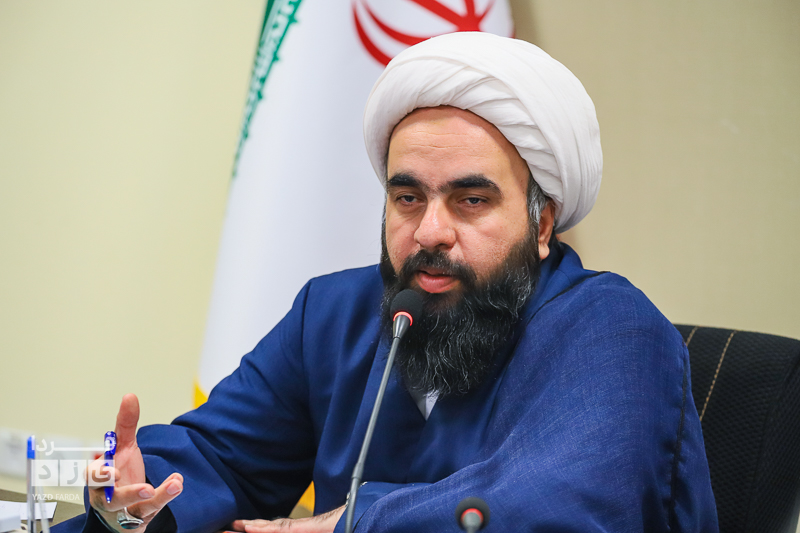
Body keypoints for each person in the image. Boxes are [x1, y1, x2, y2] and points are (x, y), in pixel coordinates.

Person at [56, 32, 718, 533]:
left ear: (542, 223)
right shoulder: (334, 314)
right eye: (407, 198)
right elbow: (219, 457)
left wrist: (352, 521)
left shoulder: (614, 330)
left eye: (471, 200)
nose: (429, 232)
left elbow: (558, 505)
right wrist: (138, 499)